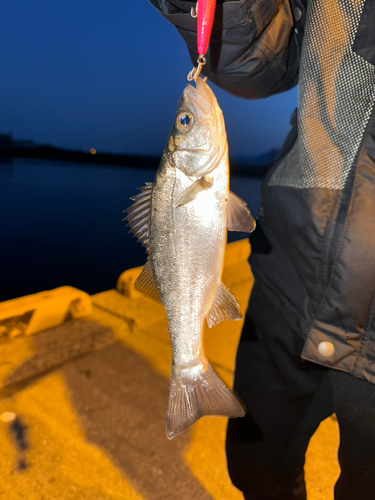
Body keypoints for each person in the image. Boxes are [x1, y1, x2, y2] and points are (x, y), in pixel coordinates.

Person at [148, 0, 375, 498]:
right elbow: (262, 57)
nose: (189, 118)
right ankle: (191, 369)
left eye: (182, 125)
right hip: (293, 264)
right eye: (184, 126)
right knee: (256, 467)